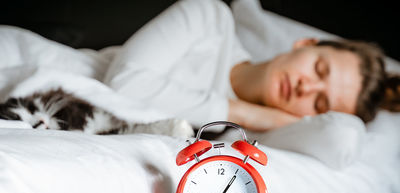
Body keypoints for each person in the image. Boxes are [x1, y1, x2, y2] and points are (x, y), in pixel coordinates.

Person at [104, 0, 399, 132]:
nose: (305, 86)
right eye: (319, 70)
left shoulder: (263, 142)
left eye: (320, 103)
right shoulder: (209, 20)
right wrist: (249, 113)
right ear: (305, 44)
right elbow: (122, 85)